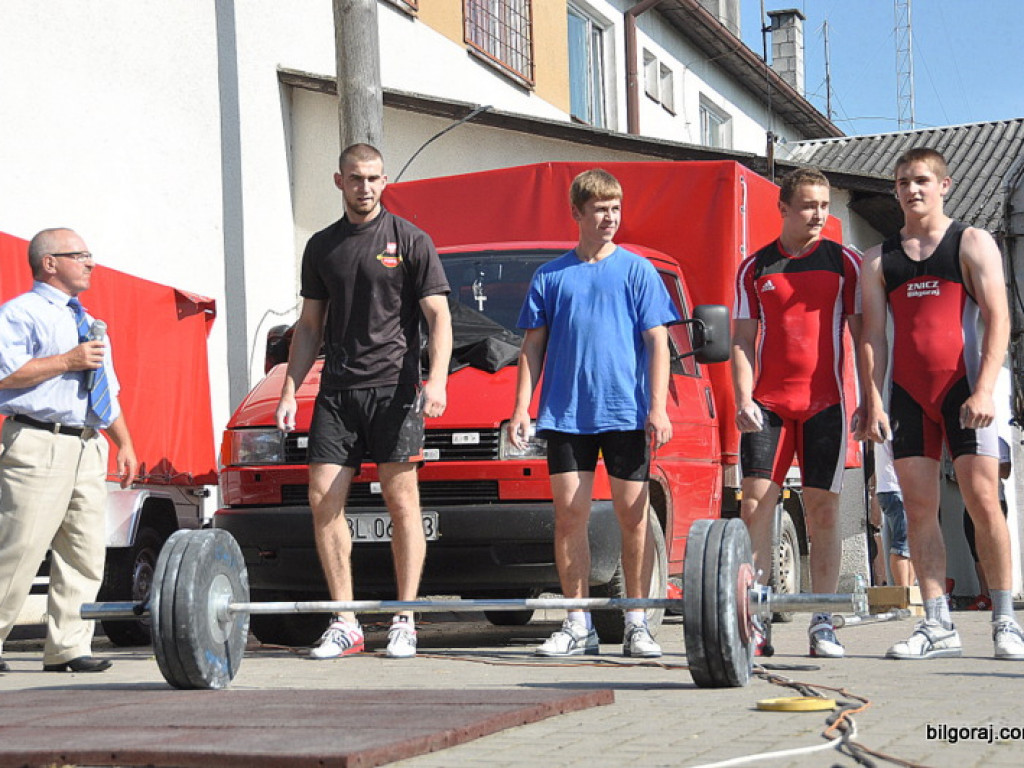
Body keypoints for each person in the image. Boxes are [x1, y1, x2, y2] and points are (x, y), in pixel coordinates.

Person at [275, 143, 452, 660]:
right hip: (337, 393)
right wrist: (289, 389)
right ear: (339, 181)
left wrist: (435, 381)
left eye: (374, 178)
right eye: (356, 179)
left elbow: (439, 317)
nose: (366, 187)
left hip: (395, 392)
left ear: (384, 180)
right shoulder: (322, 246)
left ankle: (405, 619)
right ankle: (345, 621)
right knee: (322, 500)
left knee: (403, 504)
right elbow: (310, 326)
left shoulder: (410, 240)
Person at [858, 147, 1024, 660]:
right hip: (908, 398)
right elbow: (874, 338)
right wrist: (873, 402)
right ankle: (937, 624)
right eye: (904, 181)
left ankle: (1004, 620)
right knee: (919, 510)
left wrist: (983, 389)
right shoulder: (879, 259)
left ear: (945, 185)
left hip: (964, 391)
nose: (913, 189)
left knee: (982, 502)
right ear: (895, 190)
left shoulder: (970, 242)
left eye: (922, 180)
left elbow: (999, 318)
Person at [509, 169, 678, 659]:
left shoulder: (638, 271)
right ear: (578, 213)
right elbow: (531, 346)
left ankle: (637, 622)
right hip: (564, 416)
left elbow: (658, 343)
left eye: (616, 208)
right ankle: (577, 621)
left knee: (634, 517)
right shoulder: (551, 276)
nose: (610, 217)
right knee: (570, 516)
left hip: (625, 413)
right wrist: (521, 406)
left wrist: (657, 407)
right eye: (601, 208)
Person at [732, 168, 862, 658]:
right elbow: (743, 341)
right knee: (753, 508)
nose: (818, 214)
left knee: (822, 512)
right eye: (808, 205)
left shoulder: (844, 262)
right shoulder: (755, 267)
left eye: (824, 205)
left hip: (826, 402)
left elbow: (864, 336)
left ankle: (823, 621)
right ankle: (757, 618)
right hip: (768, 406)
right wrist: (743, 398)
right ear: (783, 208)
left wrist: (869, 399)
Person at [0, 228, 137, 673]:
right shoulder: (19, 314)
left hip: (86, 444)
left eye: (90, 255)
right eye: (80, 256)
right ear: (50, 263)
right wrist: (68, 361)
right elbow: (4, 376)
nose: (90, 263)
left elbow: (106, 392)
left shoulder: (88, 321)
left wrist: (125, 444)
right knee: (19, 549)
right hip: (38, 442)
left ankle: (68, 647)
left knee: (84, 552)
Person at [961, 366, 1012, 610]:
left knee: (992, 543)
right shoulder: (963, 442)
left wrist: (986, 470)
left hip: (995, 499)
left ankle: (999, 596)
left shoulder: (997, 441)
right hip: (969, 501)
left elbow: (1006, 470)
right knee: (976, 550)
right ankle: (984, 593)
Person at [873, 439, 915, 587]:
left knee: (909, 544)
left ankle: (908, 595)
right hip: (896, 489)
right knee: (902, 545)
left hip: (890, 489)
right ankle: (904, 594)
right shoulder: (894, 424)